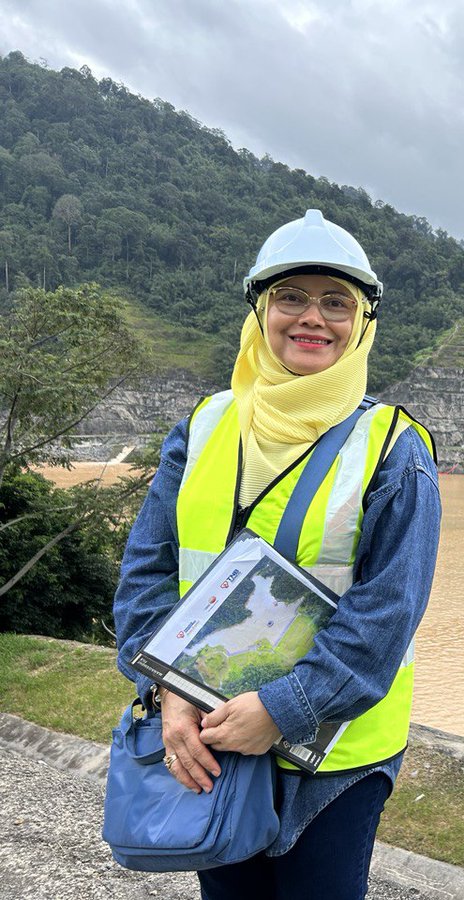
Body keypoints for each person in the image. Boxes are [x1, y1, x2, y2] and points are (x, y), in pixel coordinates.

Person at [113, 209, 441, 900]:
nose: (312, 318)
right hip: (209, 733)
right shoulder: (203, 427)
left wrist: (284, 708)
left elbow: (385, 616)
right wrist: (165, 689)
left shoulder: (393, 449)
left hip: (335, 762)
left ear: (363, 322)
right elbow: (146, 572)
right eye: (291, 297)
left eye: (336, 302)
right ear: (261, 310)